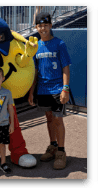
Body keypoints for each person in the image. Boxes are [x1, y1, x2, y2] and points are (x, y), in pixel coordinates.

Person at [28, 12, 72, 170]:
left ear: (51, 26)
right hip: (42, 90)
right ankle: (52, 146)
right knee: (48, 119)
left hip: (57, 89)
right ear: (36, 27)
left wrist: (65, 88)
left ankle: (61, 151)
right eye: (40, 26)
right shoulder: (35, 47)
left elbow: (66, 67)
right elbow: (34, 72)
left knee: (58, 120)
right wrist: (31, 92)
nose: (43, 28)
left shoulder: (59, 44)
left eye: (45, 25)